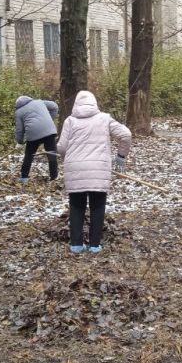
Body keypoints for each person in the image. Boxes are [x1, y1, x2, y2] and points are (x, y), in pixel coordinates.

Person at [56, 90, 131, 254]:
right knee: (97, 206)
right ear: (94, 103)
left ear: (76, 104)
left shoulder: (70, 121)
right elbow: (125, 135)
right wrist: (121, 156)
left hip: (75, 170)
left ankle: (76, 245)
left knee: (76, 206)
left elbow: (61, 147)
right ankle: (95, 245)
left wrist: (67, 159)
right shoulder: (104, 119)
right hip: (99, 170)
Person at [15, 95, 59, 184]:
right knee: (51, 154)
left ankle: (24, 178)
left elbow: (19, 129)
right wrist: (50, 119)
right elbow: (54, 106)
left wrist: (20, 141)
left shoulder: (19, 112)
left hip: (33, 134)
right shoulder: (39, 102)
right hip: (49, 131)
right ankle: (54, 177)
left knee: (29, 155)